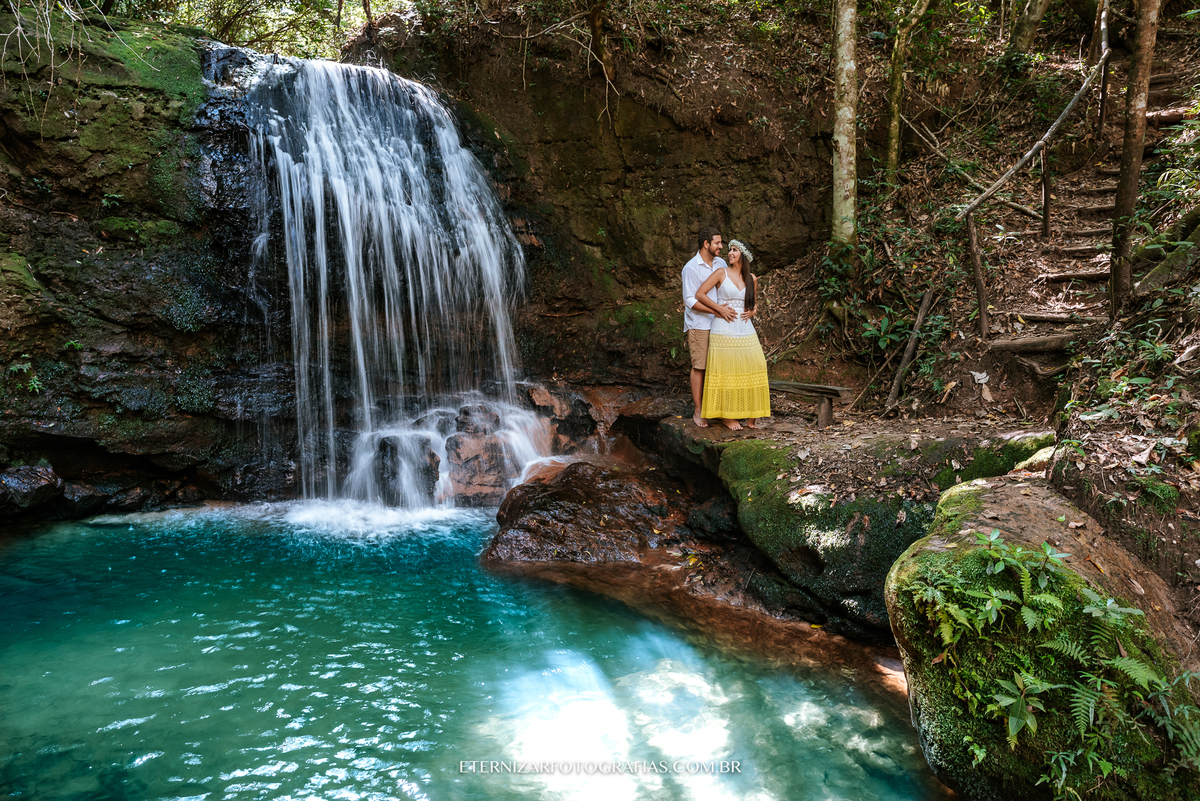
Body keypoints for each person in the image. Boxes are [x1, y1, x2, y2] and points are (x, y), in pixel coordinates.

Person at [693, 239, 770, 430]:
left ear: (743, 255)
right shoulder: (721, 273)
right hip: (723, 327)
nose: (730, 253)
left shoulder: (751, 278)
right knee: (727, 371)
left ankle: (752, 413)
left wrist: (753, 311)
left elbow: (752, 304)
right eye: (730, 250)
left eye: (735, 250)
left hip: (745, 327)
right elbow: (699, 294)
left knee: (756, 364)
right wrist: (719, 308)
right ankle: (727, 417)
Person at [681, 227, 732, 428]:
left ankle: (718, 410)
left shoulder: (721, 263)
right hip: (699, 324)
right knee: (699, 366)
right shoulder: (691, 268)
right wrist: (717, 310)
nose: (721, 247)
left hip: (721, 324)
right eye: (718, 243)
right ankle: (698, 411)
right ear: (706, 244)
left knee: (718, 368)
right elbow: (689, 301)